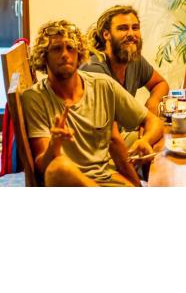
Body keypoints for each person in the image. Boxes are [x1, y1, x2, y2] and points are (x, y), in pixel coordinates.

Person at [21, 20, 164, 187]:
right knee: (58, 168)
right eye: (56, 49)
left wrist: (145, 140)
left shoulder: (103, 85)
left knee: (162, 147)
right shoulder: (34, 97)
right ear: (44, 56)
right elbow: (42, 167)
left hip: (106, 177)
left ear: (79, 53)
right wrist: (54, 144)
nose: (65, 54)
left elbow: (153, 122)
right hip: (68, 183)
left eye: (70, 48)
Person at [82, 5, 169, 114]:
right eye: (123, 28)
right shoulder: (94, 69)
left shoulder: (134, 60)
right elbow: (107, 119)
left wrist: (153, 102)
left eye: (135, 28)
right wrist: (147, 119)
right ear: (106, 34)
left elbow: (160, 83)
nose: (131, 34)